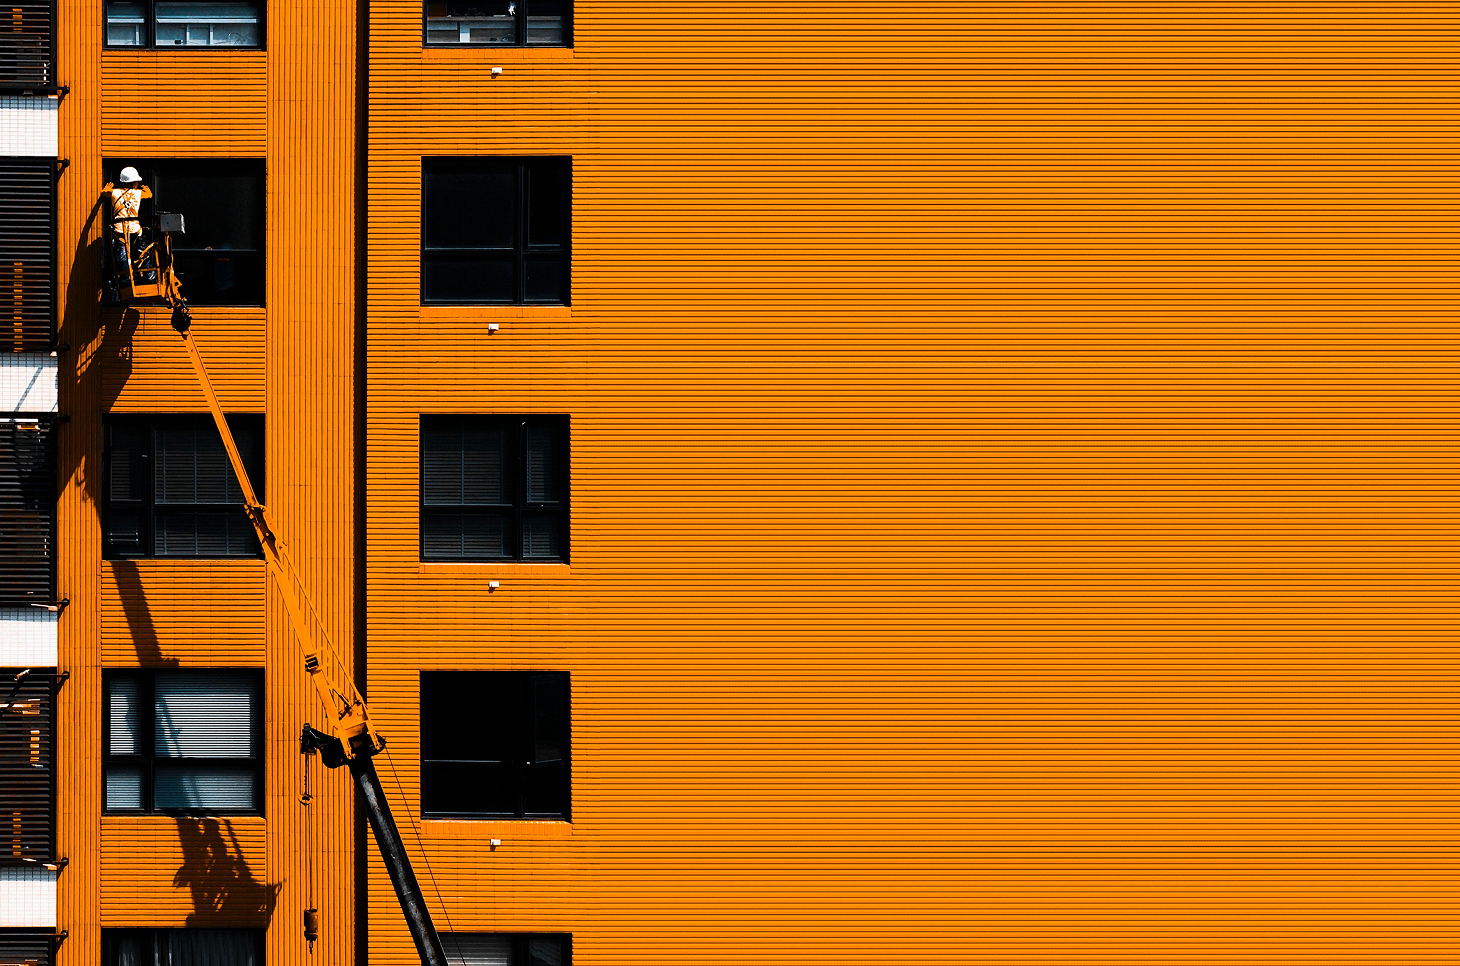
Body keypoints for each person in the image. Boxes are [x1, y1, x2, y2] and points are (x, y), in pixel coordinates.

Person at [102, 166, 153, 281]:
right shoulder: (138, 193)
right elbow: (149, 194)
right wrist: (146, 189)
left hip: (120, 229)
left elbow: (104, 193)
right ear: (134, 182)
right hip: (135, 228)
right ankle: (148, 273)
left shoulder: (115, 192)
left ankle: (125, 277)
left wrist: (107, 187)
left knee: (122, 254)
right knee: (142, 250)